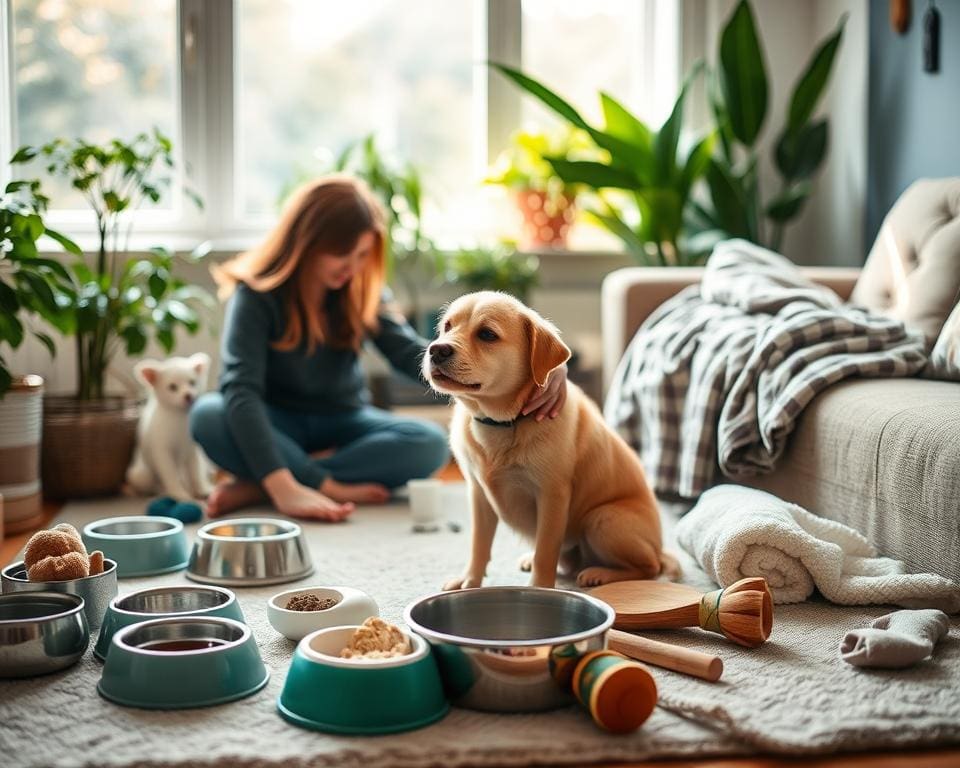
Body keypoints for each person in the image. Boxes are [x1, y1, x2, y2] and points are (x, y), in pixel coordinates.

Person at [190, 175, 567, 522]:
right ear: (306, 242)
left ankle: (265, 479)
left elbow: (411, 355)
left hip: (343, 422)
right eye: (342, 255)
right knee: (209, 414)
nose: (352, 269)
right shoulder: (255, 295)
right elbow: (241, 391)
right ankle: (295, 481)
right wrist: (294, 489)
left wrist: (545, 364)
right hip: (277, 423)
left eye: (361, 257)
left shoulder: (359, 291)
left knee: (429, 443)